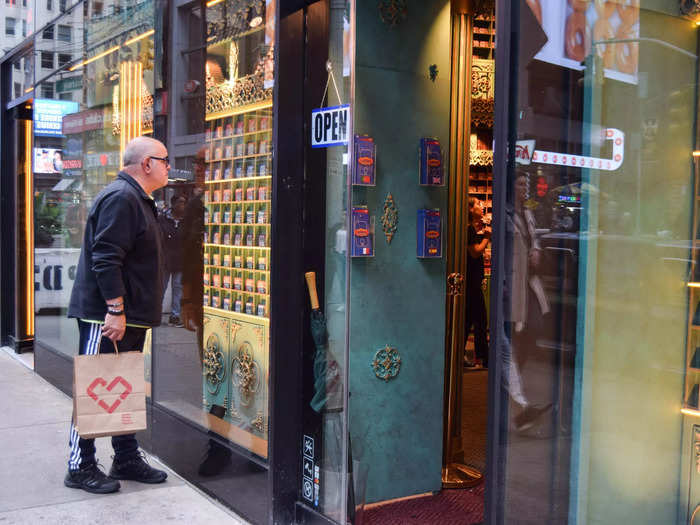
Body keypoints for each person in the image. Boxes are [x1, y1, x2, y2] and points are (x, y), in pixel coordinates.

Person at [65, 136, 170, 494]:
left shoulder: (137, 198)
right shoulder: (122, 197)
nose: (169, 166)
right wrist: (115, 309)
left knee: (122, 385)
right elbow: (105, 257)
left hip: (129, 316)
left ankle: (125, 456)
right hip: (106, 317)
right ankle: (79, 466)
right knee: (93, 386)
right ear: (146, 164)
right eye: (164, 159)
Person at [466, 197, 491, 368]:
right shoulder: (468, 230)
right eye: (478, 205)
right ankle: (483, 357)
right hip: (471, 283)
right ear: (470, 209)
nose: (481, 207)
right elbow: (474, 252)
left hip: (472, 281)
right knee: (481, 320)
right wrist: (487, 238)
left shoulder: (471, 229)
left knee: (468, 320)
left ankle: (470, 356)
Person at [159, 194, 186, 327]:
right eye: (180, 203)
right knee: (161, 288)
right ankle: (156, 314)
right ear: (173, 204)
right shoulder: (162, 219)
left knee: (178, 289)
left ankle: (175, 316)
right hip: (164, 260)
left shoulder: (186, 221)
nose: (183, 206)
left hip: (180, 260)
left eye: (184, 203)